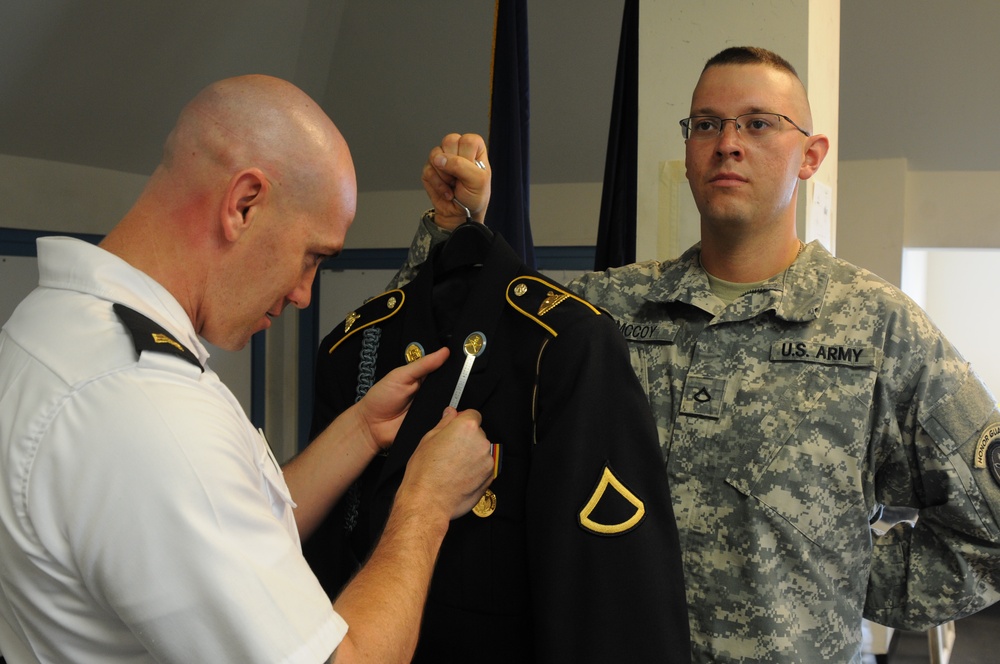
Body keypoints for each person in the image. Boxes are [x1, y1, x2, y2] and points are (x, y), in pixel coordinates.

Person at [392, 47, 1000, 663]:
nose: (728, 143)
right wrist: (453, 228)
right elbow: (435, 354)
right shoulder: (608, 309)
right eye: (707, 124)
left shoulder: (876, 327)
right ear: (687, 152)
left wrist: (849, 575)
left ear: (810, 156)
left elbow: (992, 526)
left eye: (758, 123)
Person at [0, 75, 496, 664]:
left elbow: (221, 525)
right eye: (313, 255)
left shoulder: (52, 325)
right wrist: (425, 504)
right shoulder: (145, 410)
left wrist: (363, 429)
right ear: (244, 204)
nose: (306, 295)